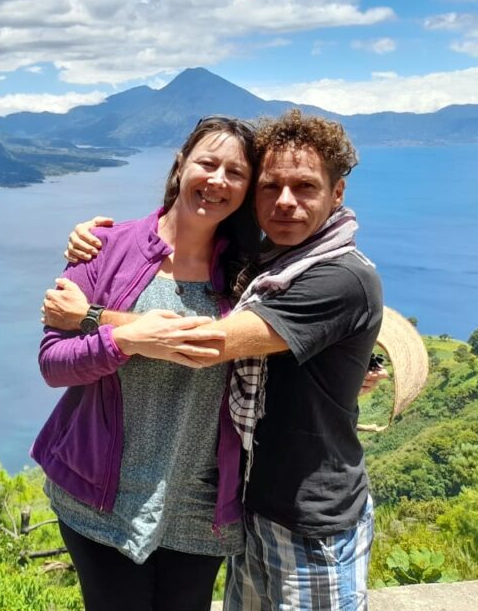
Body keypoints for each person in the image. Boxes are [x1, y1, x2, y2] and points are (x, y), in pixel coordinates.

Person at [53, 109, 384, 611]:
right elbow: (54, 360)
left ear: (337, 193)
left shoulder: (328, 273)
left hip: (301, 516)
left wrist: (92, 316)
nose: (285, 201)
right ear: (181, 164)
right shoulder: (264, 262)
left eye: (305, 187)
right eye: (271, 186)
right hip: (244, 506)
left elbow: (209, 342)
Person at [31, 116, 261, 611]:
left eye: (236, 173)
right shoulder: (104, 247)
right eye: (207, 163)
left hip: (199, 500)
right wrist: (127, 340)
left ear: (247, 189)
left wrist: (351, 374)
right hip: (100, 494)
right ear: (181, 166)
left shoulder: (249, 271)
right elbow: (53, 363)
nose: (218, 180)